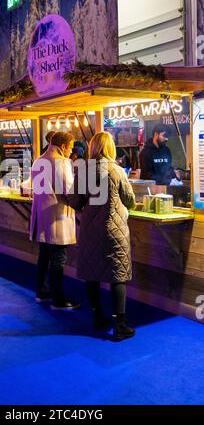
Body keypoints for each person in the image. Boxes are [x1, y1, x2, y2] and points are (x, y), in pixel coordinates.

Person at [68, 131, 136, 339]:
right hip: (114, 230)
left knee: (92, 272)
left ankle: (98, 318)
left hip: (90, 229)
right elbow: (131, 200)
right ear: (110, 147)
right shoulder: (116, 170)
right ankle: (119, 324)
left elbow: (75, 202)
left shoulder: (84, 170)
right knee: (118, 275)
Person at [30, 131, 81, 310]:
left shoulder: (39, 160)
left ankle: (42, 291)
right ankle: (58, 299)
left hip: (41, 216)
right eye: (71, 147)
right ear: (63, 146)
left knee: (44, 256)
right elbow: (69, 190)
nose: (71, 151)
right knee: (59, 258)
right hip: (56, 217)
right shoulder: (61, 162)